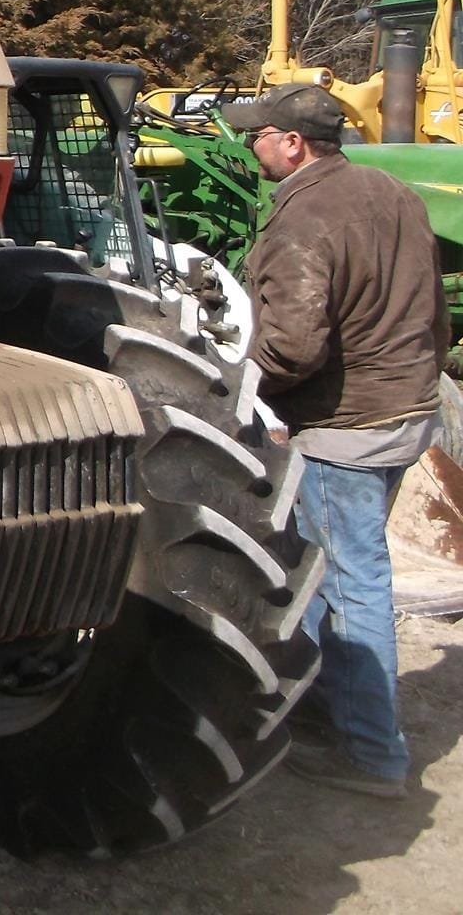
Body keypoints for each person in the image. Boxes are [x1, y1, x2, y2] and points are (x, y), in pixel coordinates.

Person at [228, 82, 446, 799]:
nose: (251, 146)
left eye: (259, 135)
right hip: (406, 410)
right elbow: (434, 311)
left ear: (293, 144)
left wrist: (237, 386)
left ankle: (372, 755)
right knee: (324, 574)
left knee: (353, 584)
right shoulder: (393, 193)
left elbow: (292, 345)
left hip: (345, 429)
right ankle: (324, 708)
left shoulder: (303, 219)